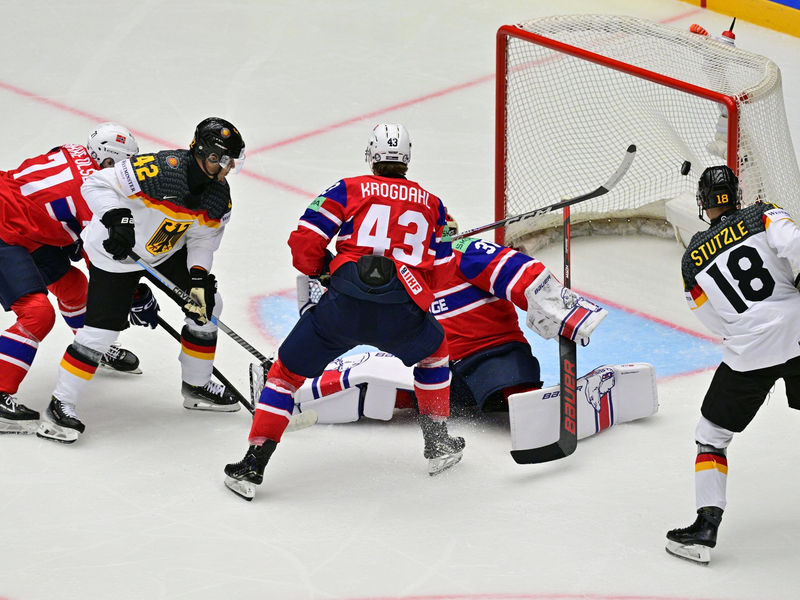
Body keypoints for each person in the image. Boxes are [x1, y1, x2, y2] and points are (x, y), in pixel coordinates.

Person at [224, 123, 462, 501]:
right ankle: (438, 443)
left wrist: (323, 271)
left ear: (371, 154)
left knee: (284, 376)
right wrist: (438, 245)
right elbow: (445, 273)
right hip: (400, 313)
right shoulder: (434, 205)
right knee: (435, 356)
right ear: (407, 158)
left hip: (342, 308)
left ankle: (253, 464)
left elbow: (305, 242)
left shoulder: (347, 188)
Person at [36, 118, 246, 444]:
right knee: (102, 332)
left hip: (164, 251)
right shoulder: (161, 170)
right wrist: (115, 217)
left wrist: (198, 277)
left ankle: (196, 385)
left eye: (231, 160)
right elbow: (95, 183)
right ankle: (59, 405)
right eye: (221, 159)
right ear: (202, 153)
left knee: (207, 305)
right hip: (116, 253)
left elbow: (202, 240)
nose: (227, 167)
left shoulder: (218, 197)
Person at [666, 165, 800, 565]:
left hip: (749, 350)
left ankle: (705, 529)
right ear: (736, 196)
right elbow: (794, 242)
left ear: (703, 204)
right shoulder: (761, 212)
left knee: (711, 435)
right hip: (797, 328)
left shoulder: (691, 259)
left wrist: (747, 331)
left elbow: (714, 323)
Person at [0, 123, 143, 435]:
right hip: (6, 230)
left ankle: (91, 344)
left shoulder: (73, 151)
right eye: (123, 167)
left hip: (22, 223)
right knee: (37, 314)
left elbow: (51, 201)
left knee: (73, 285)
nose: (127, 175)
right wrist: (130, 293)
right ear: (106, 162)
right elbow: (101, 259)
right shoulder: (92, 188)